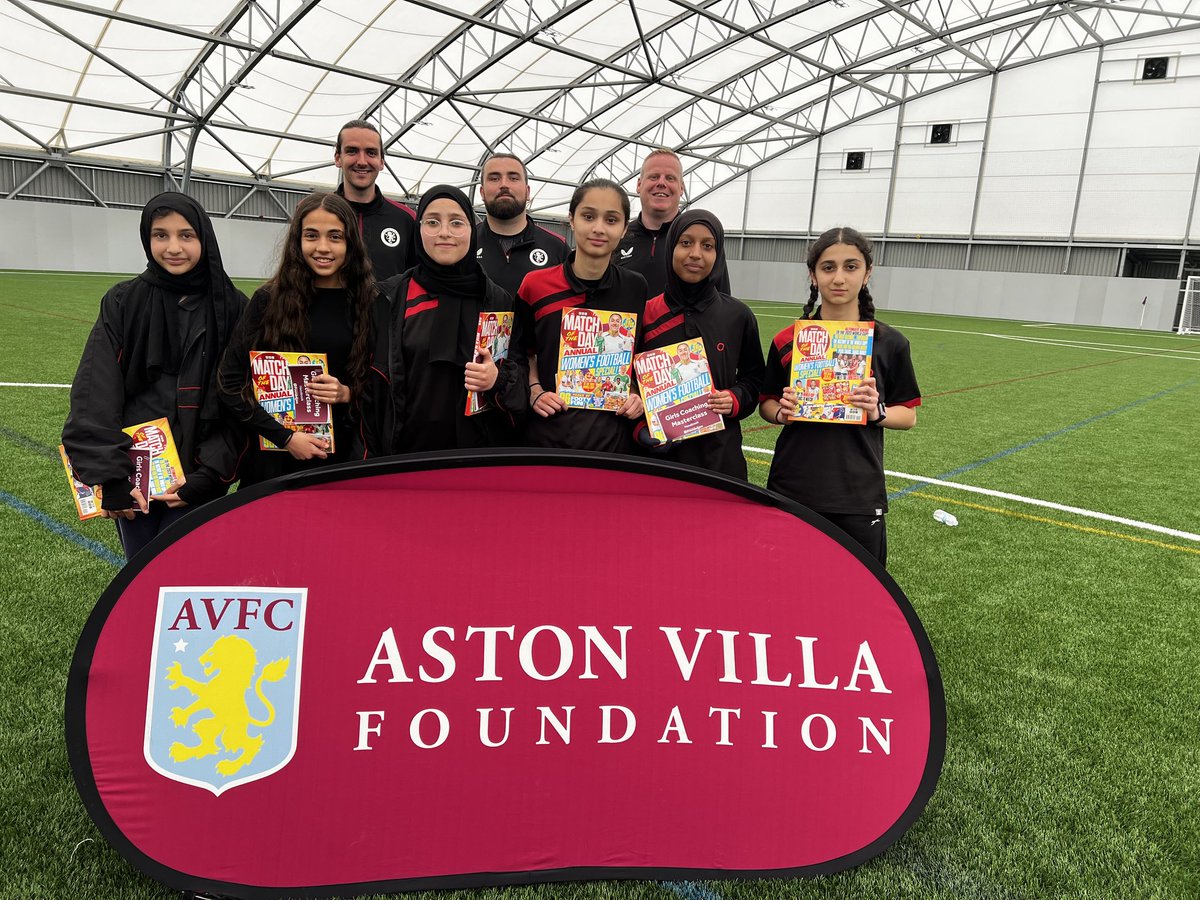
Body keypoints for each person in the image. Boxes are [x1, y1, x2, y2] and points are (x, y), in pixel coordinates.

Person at [62, 192, 247, 560]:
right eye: (161, 235)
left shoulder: (233, 306)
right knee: (141, 576)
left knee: (189, 579)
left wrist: (210, 476)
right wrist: (111, 476)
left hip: (199, 477)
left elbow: (241, 398)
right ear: (147, 238)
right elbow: (95, 390)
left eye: (186, 235)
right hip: (134, 481)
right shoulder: (123, 301)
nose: (173, 247)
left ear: (204, 239)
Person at [758, 226, 921, 566]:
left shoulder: (890, 343)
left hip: (858, 492)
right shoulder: (788, 340)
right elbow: (766, 402)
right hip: (793, 486)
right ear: (813, 275)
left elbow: (908, 415)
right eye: (828, 267)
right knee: (788, 585)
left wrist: (877, 412)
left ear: (867, 273)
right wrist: (780, 412)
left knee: (860, 596)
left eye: (851, 266)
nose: (839, 278)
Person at [218, 192, 388, 485]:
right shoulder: (267, 301)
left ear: (351, 243)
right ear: (298, 241)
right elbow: (229, 383)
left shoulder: (371, 303)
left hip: (341, 463)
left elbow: (387, 389)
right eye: (312, 235)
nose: (323, 247)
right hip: (273, 465)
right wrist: (285, 438)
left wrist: (347, 393)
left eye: (335, 236)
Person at [377, 185, 525, 451]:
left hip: (478, 455)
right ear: (419, 229)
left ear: (472, 229)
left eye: (456, 222)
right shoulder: (391, 297)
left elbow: (520, 380)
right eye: (432, 222)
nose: (444, 232)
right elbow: (374, 388)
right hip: (407, 454)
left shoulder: (498, 301)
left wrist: (498, 379)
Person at [515, 178, 648, 451]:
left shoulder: (636, 287)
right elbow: (520, 353)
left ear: (624, 229)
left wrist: (636, 394)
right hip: (547, 435)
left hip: (613, 441)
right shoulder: (535, 285)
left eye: (611, 220)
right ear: (572, 220)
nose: (599, 228)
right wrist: (535, 391)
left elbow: (639, 357)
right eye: (588, 216)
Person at [637, 209, 764, 479]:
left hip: (720, 463)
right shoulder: (645, 314)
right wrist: (640, 429)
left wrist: (735, 398)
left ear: (718, 255)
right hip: (658, 463)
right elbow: (628, 385)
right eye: (686, 243)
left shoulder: (738, 316)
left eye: (707, 246)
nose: (696, 253)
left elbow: (755, 379)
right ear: (671, 248)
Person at [615, 149, 730, 299]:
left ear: (681, 188)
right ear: (639, 184)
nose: (661, 183)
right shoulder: (617, 236)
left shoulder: (702, 241)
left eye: (670, 178)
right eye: (654, 176)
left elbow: (722, 303)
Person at [333, 119, 417, 281]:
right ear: (338, 158)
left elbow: (416, 282)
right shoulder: (317, 214)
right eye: (352, 151)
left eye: (371, 153)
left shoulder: (406, 219)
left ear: (381, 162)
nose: (362, 162)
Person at [475, 153, 568, 297]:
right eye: (494, 178)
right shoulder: (465, 244)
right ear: (482, 192)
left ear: (527, 191)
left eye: (513, 178)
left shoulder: (557, 247)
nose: (504, 184)